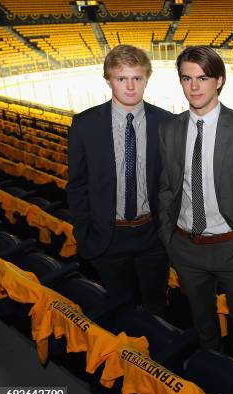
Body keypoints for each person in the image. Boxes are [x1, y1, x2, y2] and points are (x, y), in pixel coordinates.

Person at [157, 46, 233, 370]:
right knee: (203, 325)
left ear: (220, 81)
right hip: (186, 247)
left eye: (202, 78)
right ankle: (213, 377)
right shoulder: (169, 129)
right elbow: (166, 188)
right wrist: (168, 237)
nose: (194, 86)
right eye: (186, 78)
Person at [67, 44, 171, 316]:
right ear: (108, 80)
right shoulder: (84, 124)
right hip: (107, 237)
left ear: (147, 78)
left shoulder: (167, 123)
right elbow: (77, 186)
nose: (130, 86)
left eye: (137, 78)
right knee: (118, 308)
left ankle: (155, 358)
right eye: (121, 78)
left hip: (153, 236)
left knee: (156, 307)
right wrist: (84, 233)